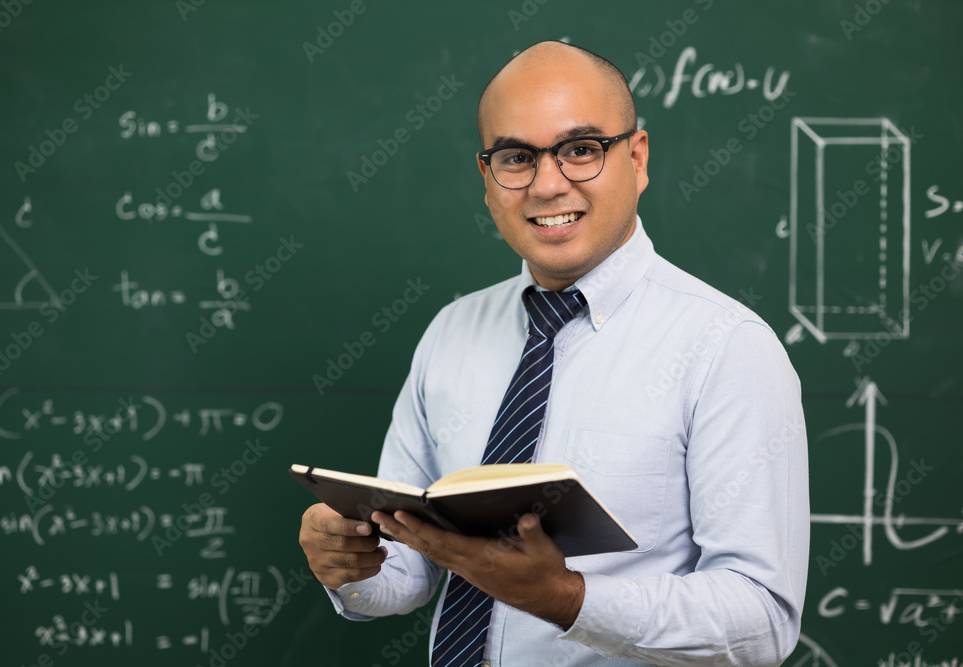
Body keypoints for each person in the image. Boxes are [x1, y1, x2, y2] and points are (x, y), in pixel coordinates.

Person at [299, 40, 809, 666]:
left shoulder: (727, 348)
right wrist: (351, 564)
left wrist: (566, 599)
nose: (547, 184)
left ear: (638, 158)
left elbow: (760, 621)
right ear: (486, 179)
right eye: (516, 157)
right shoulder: (452, 331)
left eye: (580, 150)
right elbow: (409, 572)